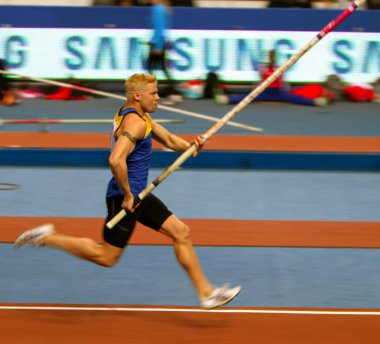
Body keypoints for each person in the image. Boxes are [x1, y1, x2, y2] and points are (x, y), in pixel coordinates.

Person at [14, 73, 241, 310]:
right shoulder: (135, 123)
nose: (158, 97)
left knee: (181, 232)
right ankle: (45, 237)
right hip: (126, 199)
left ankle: (206, 293)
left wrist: (193, 145)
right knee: (106, 256)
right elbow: (115, 160)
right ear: (137, 95)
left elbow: (171, 140)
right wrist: (128, 195)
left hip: (138, 195)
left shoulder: (140, 117)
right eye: (153, 93)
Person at [215, 49, 329, 107]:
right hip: (265, 92)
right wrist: (256, 91)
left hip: (278, 92)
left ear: (275, 58)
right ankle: (227, 100)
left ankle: (315, 102)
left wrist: (286, 90)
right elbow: (259, 82)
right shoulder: (263, 68)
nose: (271, 59)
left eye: (273, 57)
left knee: (295, 98)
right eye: (270, 57)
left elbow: (283, 82)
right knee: (247, 98)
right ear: (267, 58)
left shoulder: (279, 67)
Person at [147, 0, 177, 97]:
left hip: (158, 41)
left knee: (151, 65)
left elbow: (159, 28)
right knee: (158, 65)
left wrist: (156, 44)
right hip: (160, 40)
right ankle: (171, 85)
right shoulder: (163, 8)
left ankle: (169, 86)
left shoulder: (158, 9)